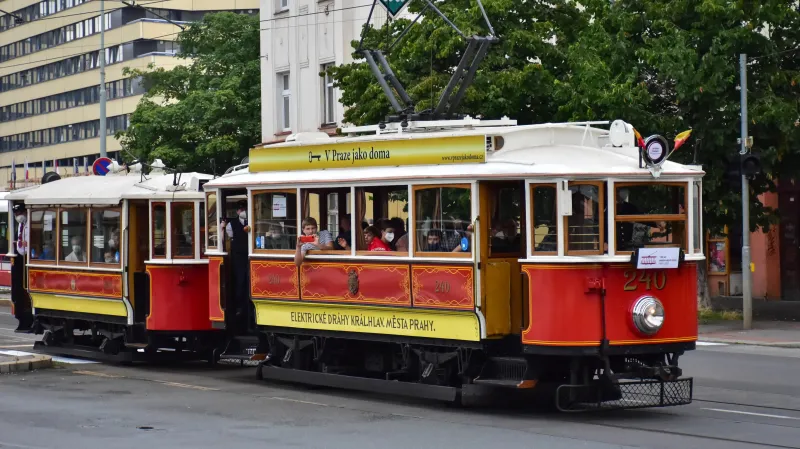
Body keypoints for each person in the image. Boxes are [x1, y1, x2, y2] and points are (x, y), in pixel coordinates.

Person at [221, 201, 250, 319]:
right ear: (237, 211)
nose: (243, 211)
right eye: (241, 209)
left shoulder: (253, 222)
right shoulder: (230, 225)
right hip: (238, 258)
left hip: (249, 256)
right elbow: (227, 240)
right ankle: (239, 308)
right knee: (240, 282)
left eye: (244, 209)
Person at [11, 203, 32, 332]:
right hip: (20, 258)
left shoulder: (30, 223)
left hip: (28, 257)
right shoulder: (20, 225)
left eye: (19, 213)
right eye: (16, 214)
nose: (18, 216)